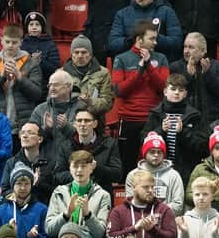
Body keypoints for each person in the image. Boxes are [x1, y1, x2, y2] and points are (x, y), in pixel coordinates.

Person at [112, 21, 169, 175]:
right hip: (129, 119)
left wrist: (149, 66)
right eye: (152, 38)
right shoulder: (121, 59)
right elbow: (119, 90)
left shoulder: (161, 58)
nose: (156, 42)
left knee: (155, 165)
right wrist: (139, 70)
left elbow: (164, 87)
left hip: (154, 119)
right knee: (127, 166)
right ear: (139, 39)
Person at [46, 150, 111, 238]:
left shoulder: (103, 195)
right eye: (75, 166)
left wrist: (88, 215)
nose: (79, 170)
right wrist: (66, 214)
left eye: (84, 166)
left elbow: (100, 233)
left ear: (92, 168)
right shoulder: (58, 192)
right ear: (70, 169)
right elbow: (50, 229)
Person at [107, 170, 177, 238]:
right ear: (134, 188)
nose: (150, 190)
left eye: (152, 187)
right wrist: (134, 228)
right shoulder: (118, 211)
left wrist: (153, 230)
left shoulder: (164, 209)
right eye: (145, 187)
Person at [0, 24, 42, 145]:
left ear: (21, 42)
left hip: (22, 123)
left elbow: (37, 94)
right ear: (1, 40)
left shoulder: (31, 63)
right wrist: (1, 76)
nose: (10, 45)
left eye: (14, 42)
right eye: (7, 41)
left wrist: (20, 77)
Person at [141, 73, 204, 184]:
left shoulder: (195, 115)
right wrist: (160, 131)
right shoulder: (155, 114)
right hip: (158, 168)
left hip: (186, 170)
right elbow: (143, 141)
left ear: (185, 94)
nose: (176, 93)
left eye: (180, 90)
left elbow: (202, 146)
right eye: (173, 89)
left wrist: (183, 132)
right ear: (165, 92)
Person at [108, 0, 183, 62]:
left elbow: (177, 42)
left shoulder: (167, 11)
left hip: (159, 64)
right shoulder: (122, 14)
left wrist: (154, 38)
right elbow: (113, 43)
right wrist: (131, 40)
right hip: (130, 64)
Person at [54, 106, 123, 194]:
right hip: (73, 194)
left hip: (100, 195)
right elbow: (58, 175)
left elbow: (117, 175)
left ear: (95, 124)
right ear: (74, 124)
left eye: (87, 120)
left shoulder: (109, 144)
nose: (82, 124)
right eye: (79, 120)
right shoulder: (65, 146)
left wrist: (96, 168)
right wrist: (80, 174)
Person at [170, 32, 219, 125]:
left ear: (203, 51)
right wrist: (188, 75)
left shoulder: (217, 66)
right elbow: (172, 94)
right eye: (185, 47)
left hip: (212, 119)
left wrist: (208, 74)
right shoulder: (175, 67)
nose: (186, 51)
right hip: (183, 119)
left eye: (191, 47)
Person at [126, 132, 184, 216]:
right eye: (152, 152)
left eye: (159, 152)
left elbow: (178, 205)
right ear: (145, 153)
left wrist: (156, 214)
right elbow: (129, 202)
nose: (156, 155)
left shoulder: (174, 175)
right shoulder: (133, 175)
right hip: (139, 220)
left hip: (166, 222)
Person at [0, 122, 55, 205]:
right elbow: (4, 190)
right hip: (18, 209)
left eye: (30, 133)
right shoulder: (12, 163)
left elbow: (56, 191)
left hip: (44, 210)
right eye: (22, 133)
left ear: (40, 139)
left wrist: (39, 183)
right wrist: (21, 194)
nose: (24, 136)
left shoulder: (50, 162)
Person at [29, 69, 87, 147]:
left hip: (74, 156)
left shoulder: (81, 107)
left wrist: (66, 127)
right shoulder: (40, 109)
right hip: (47, 157)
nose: (52, 88)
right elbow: (31, 137)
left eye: (56, 85)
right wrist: (46, 130)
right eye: (50, 85)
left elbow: (85, 137)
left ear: (68, 86)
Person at [62, 33, 115, 118]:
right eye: (76, 52)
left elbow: (107, 104)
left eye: (84, 52)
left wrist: (90, 101)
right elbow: (54, 101)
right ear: (71, 55)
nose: (80, 56)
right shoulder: (61, 74)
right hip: (68, 120)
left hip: (94, 120)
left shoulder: (103, 73)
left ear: (90, 54)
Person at [20, 12, 60, 98]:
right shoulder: (21, 44)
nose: (34, 27)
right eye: (31, 24)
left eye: (37, 24)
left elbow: (54, 68)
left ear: (42, 27)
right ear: (27, 27)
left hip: (44, 84)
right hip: (25, 83)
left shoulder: (50, 44)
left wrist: (40, 61)